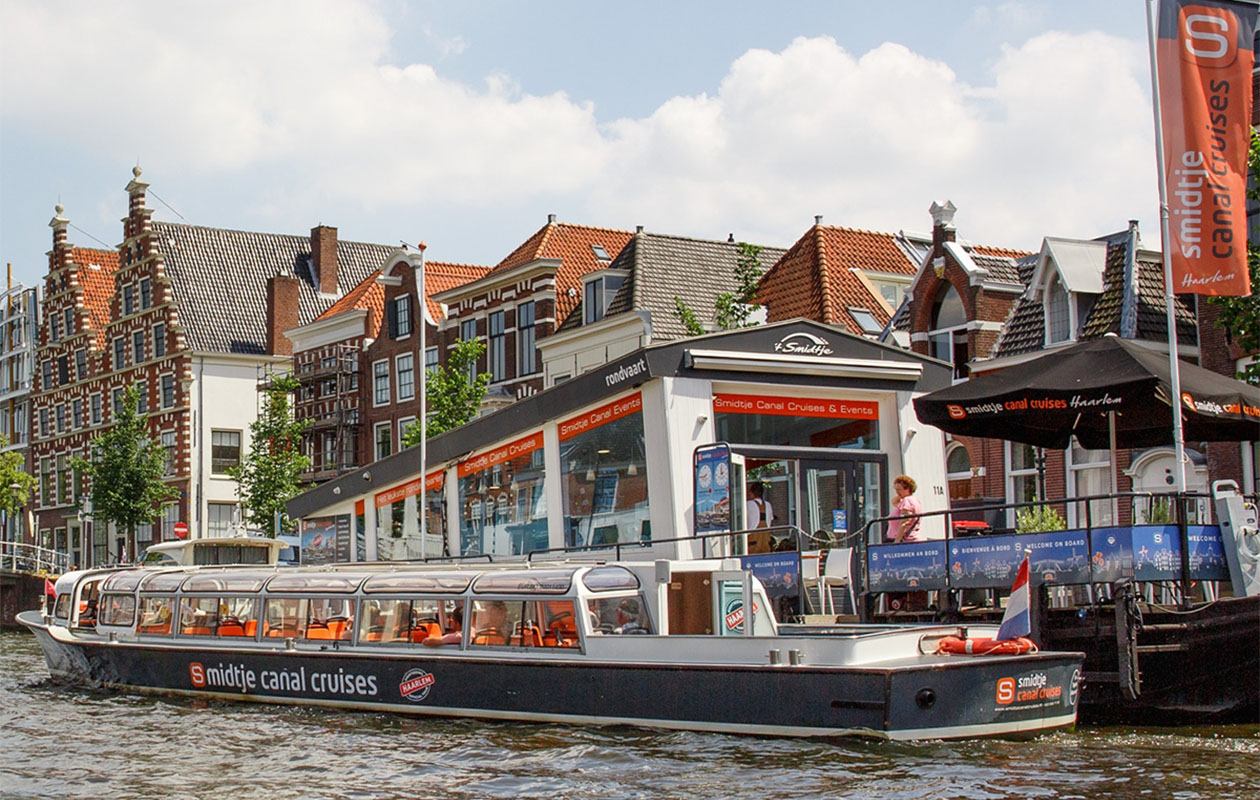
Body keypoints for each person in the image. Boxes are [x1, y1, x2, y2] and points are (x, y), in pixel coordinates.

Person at [886, 474, 923, 543]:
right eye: (896, 489)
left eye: (899, 489)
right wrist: (900, 495)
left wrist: (897, 540)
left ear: (908, 489)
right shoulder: (914, 500)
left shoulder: (907, 501)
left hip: (904, 540)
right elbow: (894, 502)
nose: (897, 492)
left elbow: (905, 522)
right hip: (910, 539)